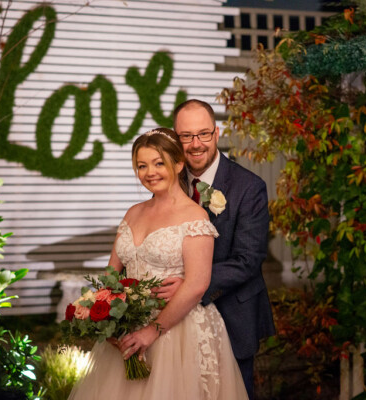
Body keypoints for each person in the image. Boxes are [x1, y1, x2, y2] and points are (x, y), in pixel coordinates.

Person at [68, 127, 248, 400]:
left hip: (178, 334)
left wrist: (152, 331)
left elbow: (197, 284)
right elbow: (112, 274)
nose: (149, 172)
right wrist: (106, 319)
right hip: (129, 328)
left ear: (178, 163)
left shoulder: (195, 216)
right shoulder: (133, 213)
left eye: (158, 163)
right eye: (142, 166)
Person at [154, 100, 276, 399]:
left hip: (231, 314)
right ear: (175, 138)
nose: (196, 144)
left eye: (203, 134)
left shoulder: (249, 187)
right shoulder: (167, 182)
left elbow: (247, 260)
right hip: (173, 323)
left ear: (216, 134)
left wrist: (191, 285)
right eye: (186, 136)